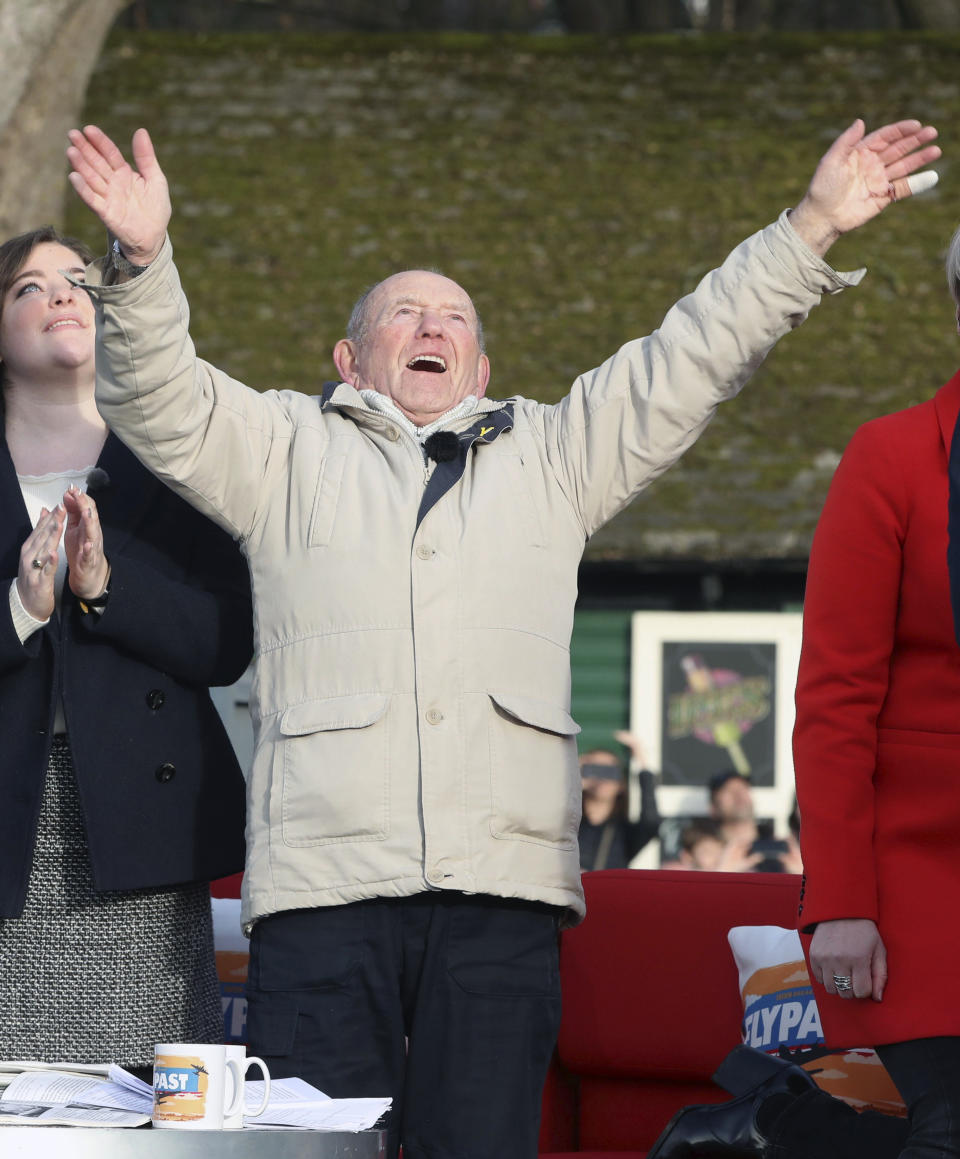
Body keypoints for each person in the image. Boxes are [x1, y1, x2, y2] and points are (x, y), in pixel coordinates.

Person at [64, 116, 939, 1158]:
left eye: (454, 316)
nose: (431, 324)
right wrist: (144, 258)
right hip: (322, 893)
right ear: (351, 356)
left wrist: (811, 227)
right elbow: (152, 392)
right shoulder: (281, 448)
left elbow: (693, 356)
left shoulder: (557, 454)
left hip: (501, 899)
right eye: (404, 312)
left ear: (480, 366)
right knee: (311, 1152)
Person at [647, 223, 960, 1159]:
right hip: (922, 879)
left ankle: (779, 1127)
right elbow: (835, 697)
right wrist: (842, 900)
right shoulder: (894, 457)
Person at [0, 227, 253, 1074]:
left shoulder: (176, 456)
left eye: (77, 279)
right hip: (7, 821)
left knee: (146, 1096)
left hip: (139, 835)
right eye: (28, 288)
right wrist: (21, 609)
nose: (62, 294)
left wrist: (106, 587)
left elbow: (228, 639)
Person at [578, 743, 661, 870]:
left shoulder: (625, 833)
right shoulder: (567, 824)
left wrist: (643, 763)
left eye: (609, 772)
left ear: (621, 784)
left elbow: (651, 822)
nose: (601, 779)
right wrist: (572, 781)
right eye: (594, 769)